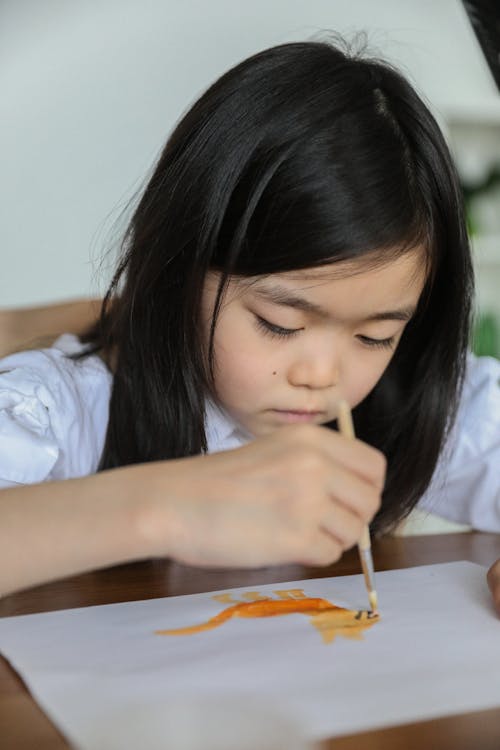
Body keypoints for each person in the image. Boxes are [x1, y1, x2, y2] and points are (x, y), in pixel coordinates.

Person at [0, 37, 499, 610]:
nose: (321, 374)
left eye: (375, 336)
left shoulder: (416, 404)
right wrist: (162, 507)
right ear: (178, 271)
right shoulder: (60, 411)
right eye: (280, 324)